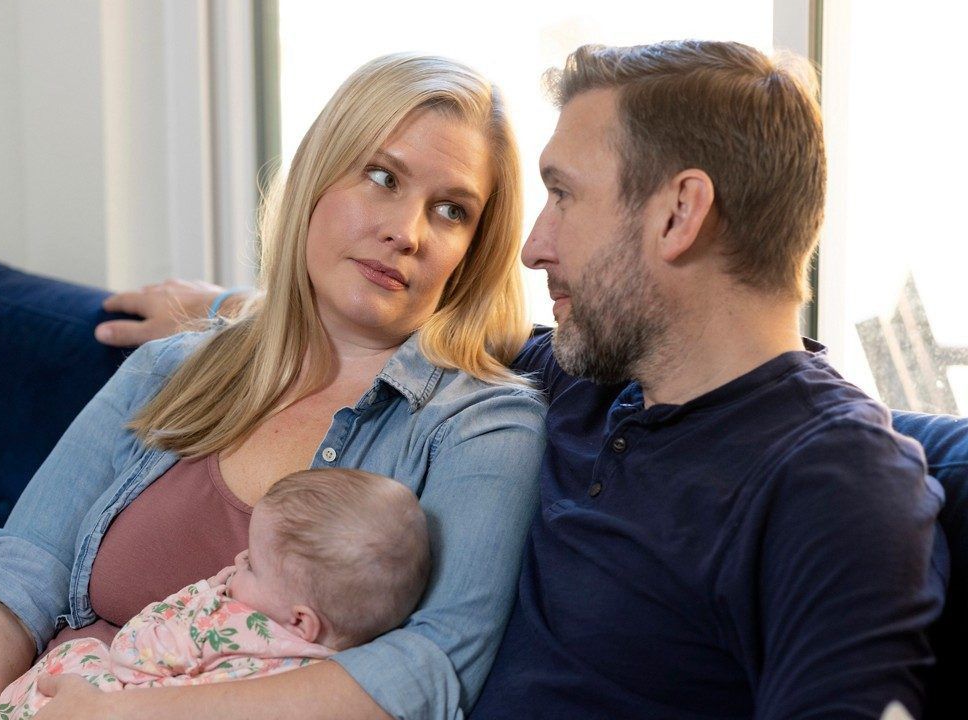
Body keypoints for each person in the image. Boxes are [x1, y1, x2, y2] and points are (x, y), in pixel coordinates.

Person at [98, 41, 948, 718]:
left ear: (679, 214)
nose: (535, 246)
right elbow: (399, 328)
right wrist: (236, 309)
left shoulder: (836, 484)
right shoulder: (575, 376)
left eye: (564, 197)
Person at [0, 53, 548, 720]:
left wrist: (124, 717)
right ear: (315, 177)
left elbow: (429, 668)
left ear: (474, 252)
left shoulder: (481, 427)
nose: (407, 232)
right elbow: (16, 571)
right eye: (380, 176)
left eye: (451, 210)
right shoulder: (170, 369)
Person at [0, 468, 431, 720]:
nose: (238, 560)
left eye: (253, 566)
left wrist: (204, 593)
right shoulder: (329, 676)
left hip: (108, 704)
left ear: (300, 620)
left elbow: (135, 651)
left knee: (85, 654)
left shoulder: (236, 624)